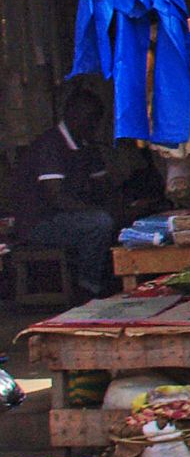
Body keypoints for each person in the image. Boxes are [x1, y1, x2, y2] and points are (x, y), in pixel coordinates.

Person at [12, 79, 116, 298]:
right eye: (88, 119)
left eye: (95, 120)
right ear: (71, 115)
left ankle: (108, 279)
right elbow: (56, 197)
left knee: (113, 218)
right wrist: (94, 210)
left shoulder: (85, 145)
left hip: (64, 217)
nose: (93, 125)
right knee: (100, 223)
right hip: (38, 223)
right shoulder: (51, 145)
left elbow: (104, 186)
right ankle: (88, 287)